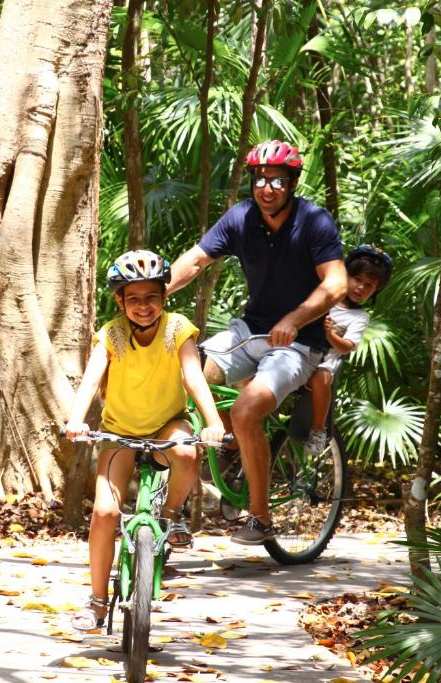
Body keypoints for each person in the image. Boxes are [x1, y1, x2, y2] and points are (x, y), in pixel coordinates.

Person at [166, 139, 347, 546]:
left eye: (278, 180)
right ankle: (231, 450)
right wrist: (153, 294)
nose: (267, 188)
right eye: (261, 179)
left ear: (293, 183)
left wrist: (295, 319)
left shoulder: (314, 221)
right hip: (250, 331)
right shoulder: (241, 218)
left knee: (247, 410)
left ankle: (260, 518)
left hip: (299, 343)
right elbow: (195, 261)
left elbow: (336, 283)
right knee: (186, 376)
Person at [64, 249, 226, 632]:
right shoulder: (111, 335)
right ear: (120, 300)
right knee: (104, 513)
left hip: (168, 423)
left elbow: (193, 376)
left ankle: (170, 517)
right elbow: (90, 381)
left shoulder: (177, 329)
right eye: (133, 298)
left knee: (188, 453)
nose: (143, 306)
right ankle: (97, 602)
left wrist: (213, 421)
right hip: (119, 431)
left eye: (151, 296)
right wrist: (75, 419)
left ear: (164, 297)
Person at [303, 245, 393, 455]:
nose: (361, 287)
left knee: (322, 377)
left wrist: (330, 335)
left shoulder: (360, 317)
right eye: (358, 279)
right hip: (301, 351)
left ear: (375, 291)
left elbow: (347, 347)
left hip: (326, 360)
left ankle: (318, 430)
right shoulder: (324, 295)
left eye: (369, 285)